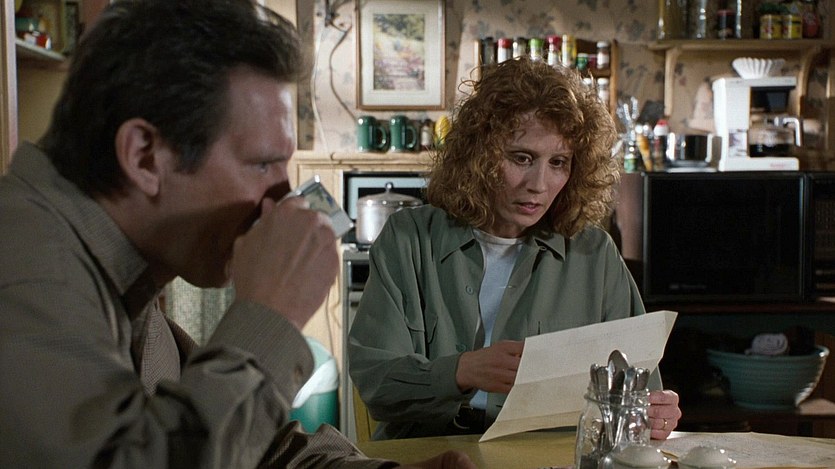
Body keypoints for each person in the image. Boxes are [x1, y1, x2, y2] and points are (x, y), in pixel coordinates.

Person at [0, 1, 475, 467]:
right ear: (145, 156)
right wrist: (271, 313)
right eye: (262, 164)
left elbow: (247, 445)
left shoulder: (119, 276)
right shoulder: (28, 271)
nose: (284, 198)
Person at [348, 58, 682, 441]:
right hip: (429, 451)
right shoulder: (409, 239)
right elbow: (377, 383)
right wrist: (461, 371)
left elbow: (637, 391)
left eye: (559, 163)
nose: (539, 184)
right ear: (479, 156)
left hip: (547, 454)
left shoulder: (594, 253)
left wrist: (654, 414)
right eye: (522, 158)